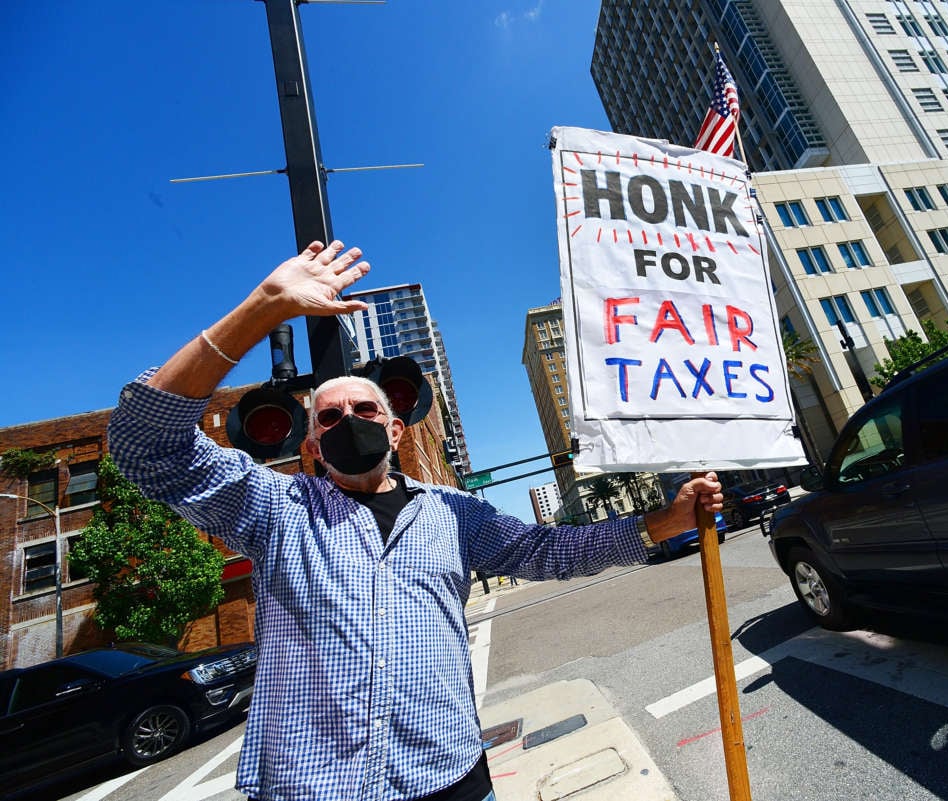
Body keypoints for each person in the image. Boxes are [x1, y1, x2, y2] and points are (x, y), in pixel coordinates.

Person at [107, 240, 724, 801]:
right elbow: (142, 443)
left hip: (450, 778)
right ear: (313, 447)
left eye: (365, 409)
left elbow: (550, 552)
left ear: (396, 428)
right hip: (310, 786)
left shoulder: (454, 515)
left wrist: (663, 523)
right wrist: (264, 308)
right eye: (328, 417)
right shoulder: (271, 509)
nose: (348, 420)